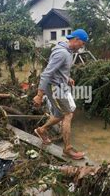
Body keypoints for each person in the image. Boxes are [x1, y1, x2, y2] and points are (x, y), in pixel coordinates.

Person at [33, 29, 88, 160]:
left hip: (61, 85)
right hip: (55, 87)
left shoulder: (68, 52)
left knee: (59, 115)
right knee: (68, 114)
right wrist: (39, 95)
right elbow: (47, 73)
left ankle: (41, 130)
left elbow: (59, 69)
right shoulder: (62, 53)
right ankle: (67, 149)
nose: (82, 47)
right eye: (82, 44)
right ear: (76, 40)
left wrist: (67, 78)